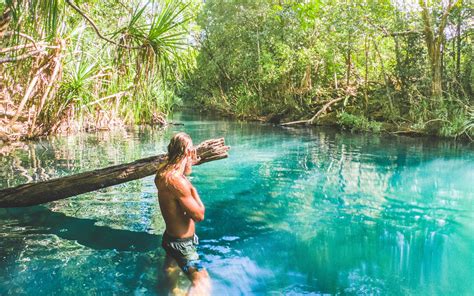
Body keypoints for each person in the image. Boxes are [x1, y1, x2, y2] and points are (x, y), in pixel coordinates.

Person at [155, 132, 210, 295]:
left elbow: (177, 183)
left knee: (171, 272)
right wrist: (193, 189)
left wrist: (188, 165)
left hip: (170, 239)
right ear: (187, 152)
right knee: (202, 282)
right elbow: (199, 215)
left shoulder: (162, 173)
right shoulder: (177, 181)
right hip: (182, 245)